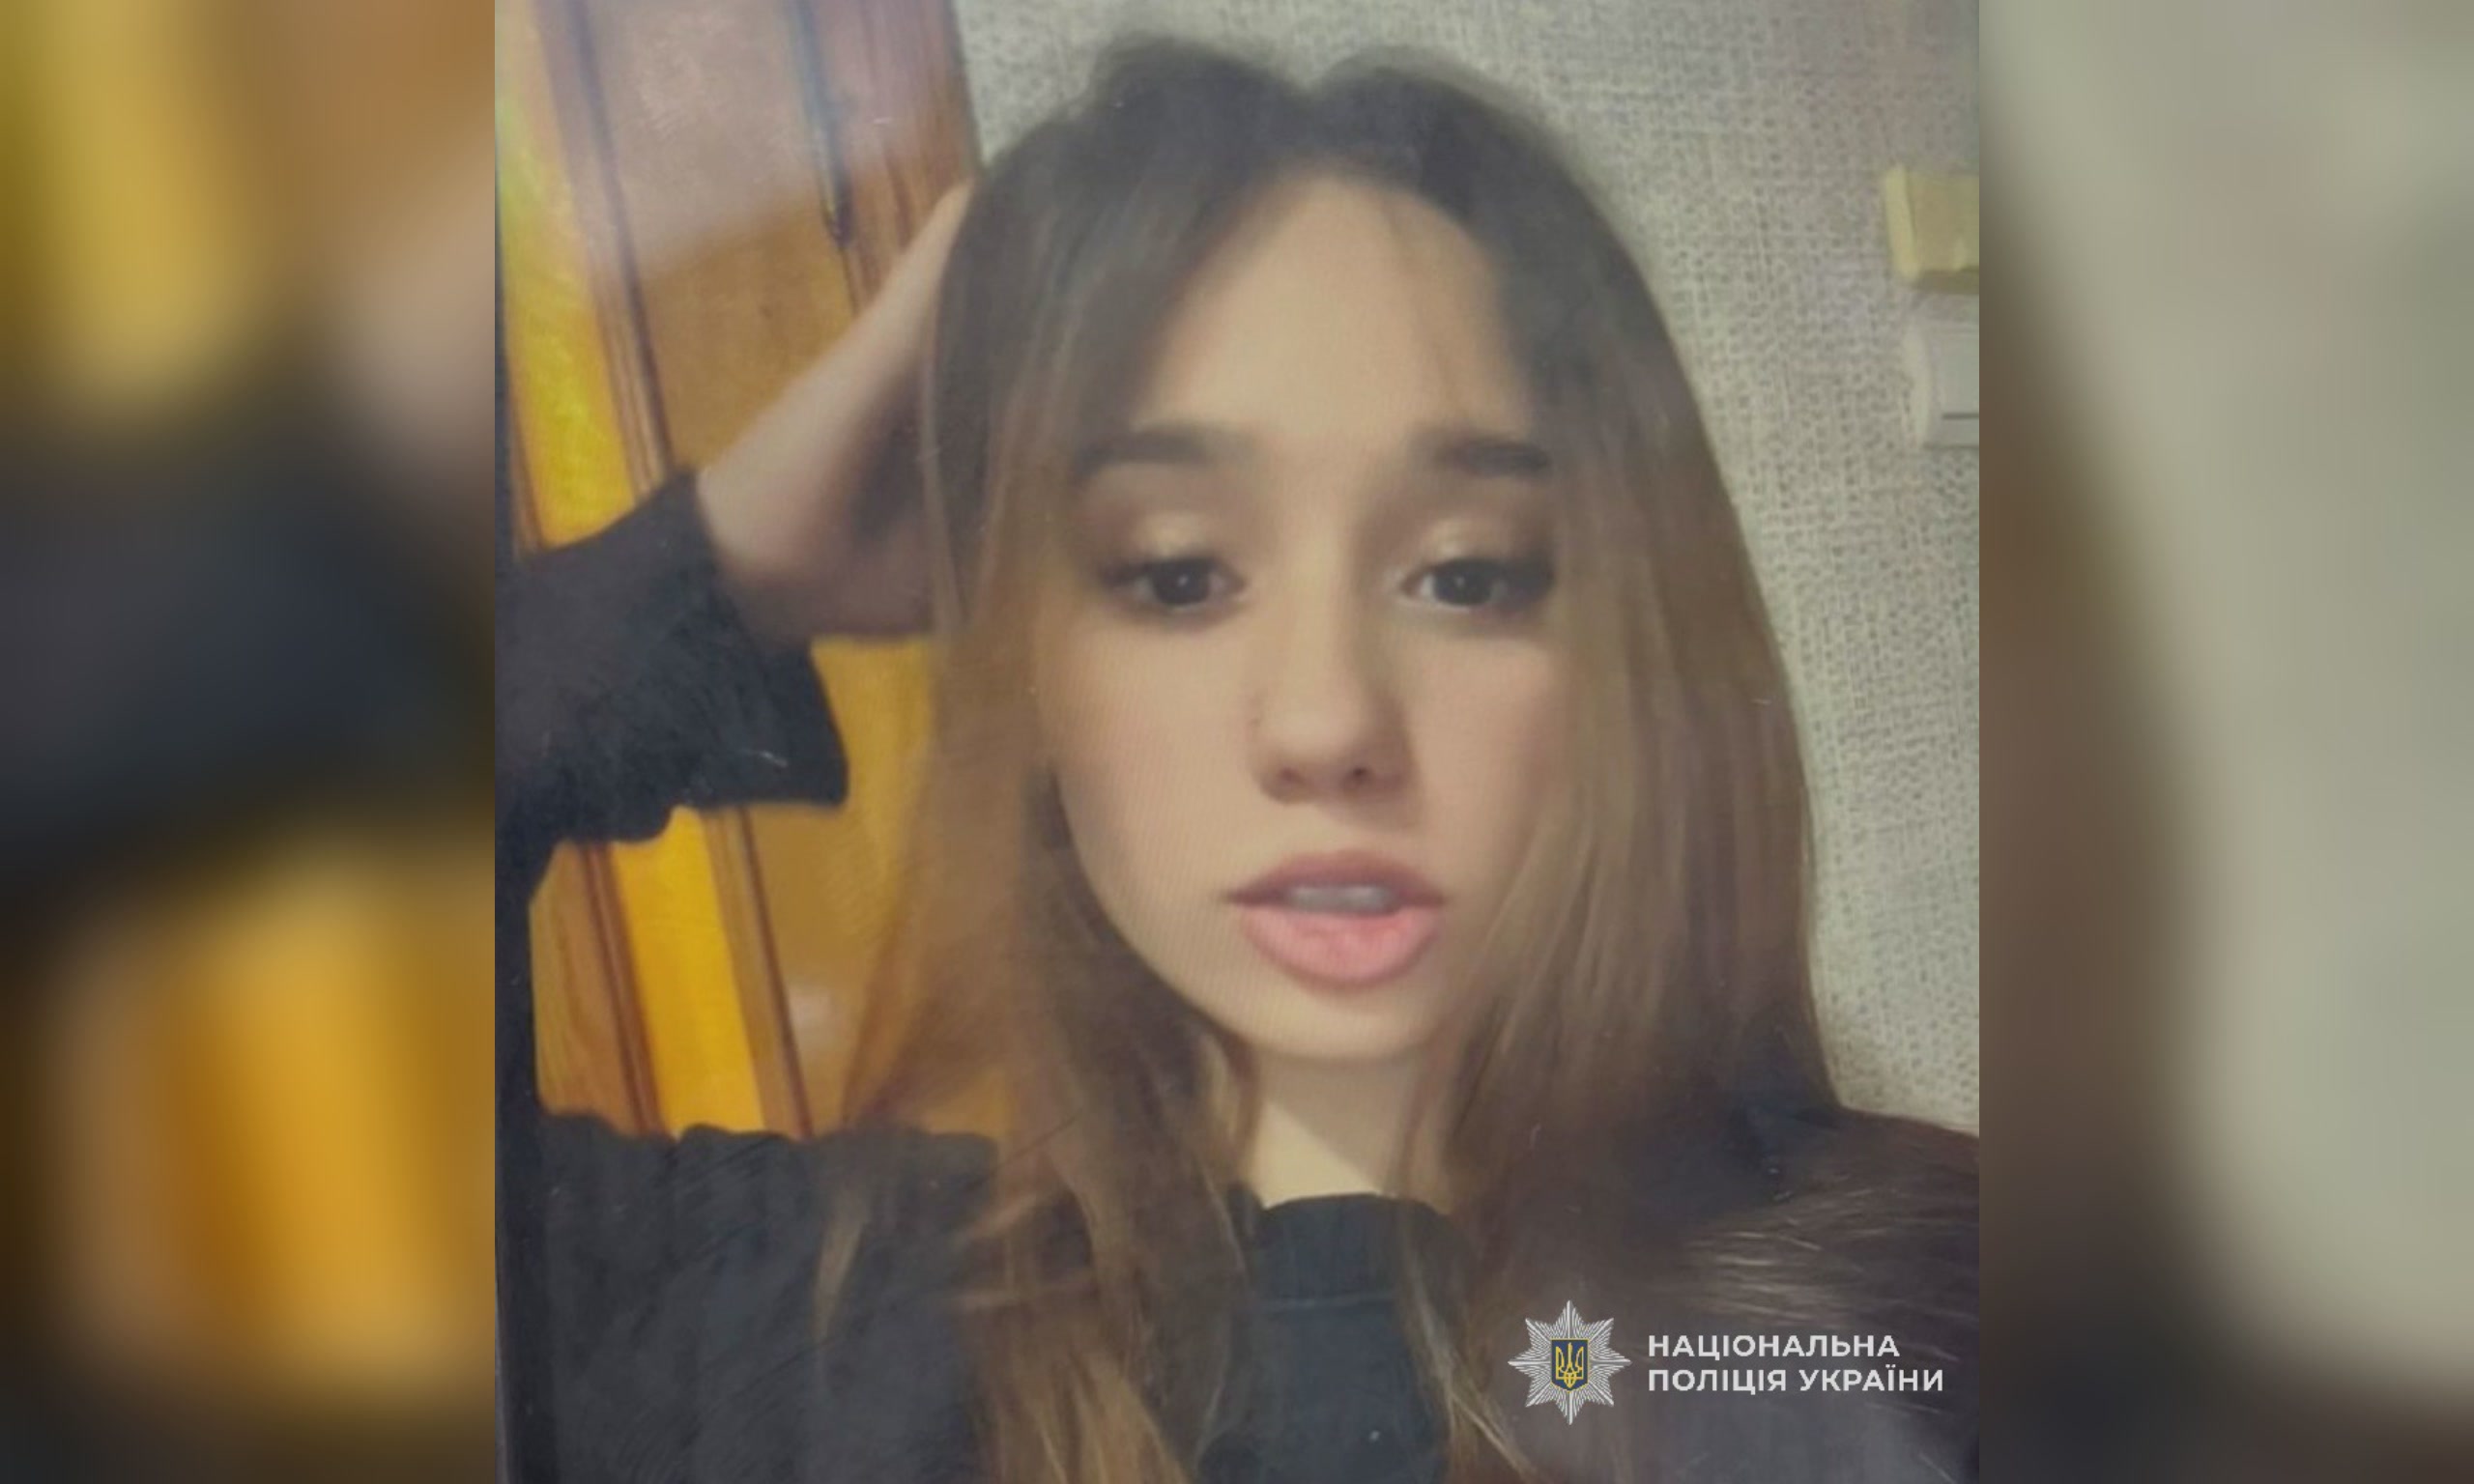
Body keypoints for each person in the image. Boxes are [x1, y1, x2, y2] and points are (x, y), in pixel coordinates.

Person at [496, 36, 1976, 1484]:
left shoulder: (1923, 1319)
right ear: (1028, 669)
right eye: (1178, 573)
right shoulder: (803, 1336)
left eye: (1467, 575)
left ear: (1624, 646)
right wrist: (721, 564)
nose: (1326, 725)